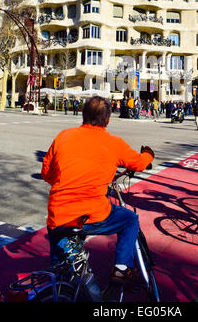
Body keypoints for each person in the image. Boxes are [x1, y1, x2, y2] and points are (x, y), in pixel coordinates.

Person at [41, 96, 154, 285]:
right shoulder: (113, 143)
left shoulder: (63, 136)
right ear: (107, 120)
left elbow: (46, 172)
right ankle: (121, 268)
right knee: (130, 220)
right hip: (92, 213)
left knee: (61, 268)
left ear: (83, 116)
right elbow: (139, 163)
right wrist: (148, 154)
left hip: (58, 214)